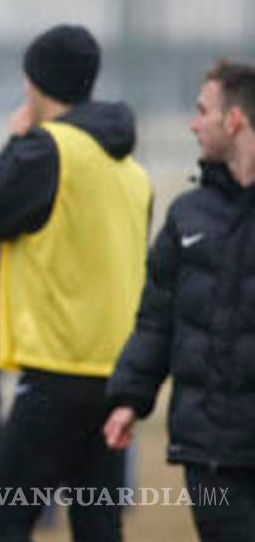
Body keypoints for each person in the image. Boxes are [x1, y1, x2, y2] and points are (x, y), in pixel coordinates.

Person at [0, 24, 151, 542]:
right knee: (97, 520)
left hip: (57, 370)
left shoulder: (46, 149)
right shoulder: (131, 167)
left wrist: (17, 139)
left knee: (5, 515)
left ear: (35, 82)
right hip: (115, 373)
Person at [104, 60, 255, 541]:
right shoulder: (187, 214)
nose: (193, 123)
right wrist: (130, 397)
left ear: (234, 121)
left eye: (202, 110)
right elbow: (158, 318)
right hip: (209, 447)